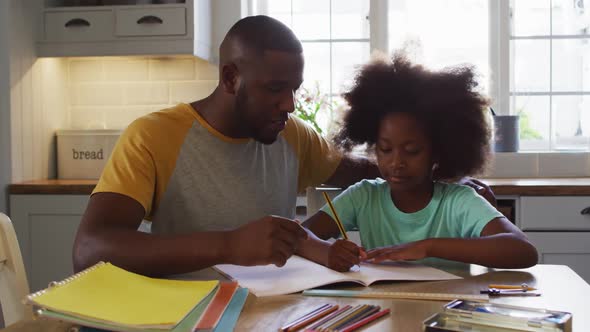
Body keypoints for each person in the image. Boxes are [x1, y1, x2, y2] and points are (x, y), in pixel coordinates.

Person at [72, 16, 497, 277]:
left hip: (276, 312)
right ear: (230, 79)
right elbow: (91, 249)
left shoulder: (289, 134)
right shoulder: (153, 136)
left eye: (293, 89)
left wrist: (443, 177)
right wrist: (228, 245)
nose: (289, 105)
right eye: (275, 89)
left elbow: (365, 170)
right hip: (187, 314)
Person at [297, 54, 538, 272]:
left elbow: (523, 251)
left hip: (445, 314)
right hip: (384, 311)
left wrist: (428, 247)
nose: (397, 162)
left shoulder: (458, 202)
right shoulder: (363, 197)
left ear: (438, 152)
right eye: (385, 149)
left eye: (412, 151)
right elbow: (299, 236)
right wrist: (326, 252)